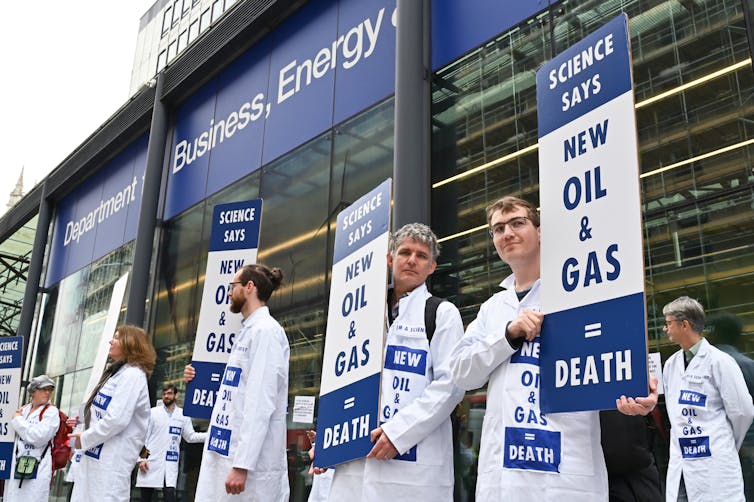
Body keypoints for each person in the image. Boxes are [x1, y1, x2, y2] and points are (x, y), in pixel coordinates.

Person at [449, 196, 657, 501]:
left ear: (541, 231)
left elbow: (612, 361)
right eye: (498, 228)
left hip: (566, 474)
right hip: (503, 478)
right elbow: (461, 372)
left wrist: (636, 389)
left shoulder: (581, 292)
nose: (507, 233)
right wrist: (508, 335)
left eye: (518, 223)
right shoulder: (492, 309)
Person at [323, 222, 466, 500]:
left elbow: (451, 385)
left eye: (422, 256)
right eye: (405, 253)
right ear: (390, 259)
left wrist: (398, 433)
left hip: (414, 467)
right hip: (355, 461)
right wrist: (330, 440)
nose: (412, 260)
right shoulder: (361, 313)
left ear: (432, 267)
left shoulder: (441, 313)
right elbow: (341, 382)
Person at [185, 263, 289, 501]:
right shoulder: (249, 331)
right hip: (227, 454)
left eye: (233, 286)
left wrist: (242, 464)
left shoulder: (266, 332)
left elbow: (260, 402)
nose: (229, 293)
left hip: (247, 468)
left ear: (249, 287)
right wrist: (194, 377)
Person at [660, 296, 754, 501]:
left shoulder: (720, 362)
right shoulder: (670, 365)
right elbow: (673, 414)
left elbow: (742, 412)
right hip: (682, 464)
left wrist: (724, 442)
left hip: (715, 465)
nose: (665, 329)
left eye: (668, 324)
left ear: (684, 325)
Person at [69, 325, 156, 502]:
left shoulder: (133, 375)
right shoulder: (115, 374)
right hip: (95, 457)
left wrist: (84, 438)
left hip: (111, 462)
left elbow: (117, 419)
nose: (111, 341)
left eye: (116, 337)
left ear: (130, 344)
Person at [136, 384, 208, 502]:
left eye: (169, 393)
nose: (166, 396)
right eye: (164, 394)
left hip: (170, 462)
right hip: (150, 460)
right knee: (146, 497)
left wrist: (210, 436)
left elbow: (190, 437)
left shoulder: (183, 415)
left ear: (176, 395)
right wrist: (141, 459)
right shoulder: (153, 413)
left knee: (169, 495)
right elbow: (143, 436)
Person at [4, 374, 60, 500]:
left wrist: (18, 420)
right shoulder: (23, 409)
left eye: (50, 390)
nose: (47, 392)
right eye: (43, 389)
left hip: (38, 468)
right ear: (33, 391)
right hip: (18, 466)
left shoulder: (51, 412)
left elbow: (38, 437)